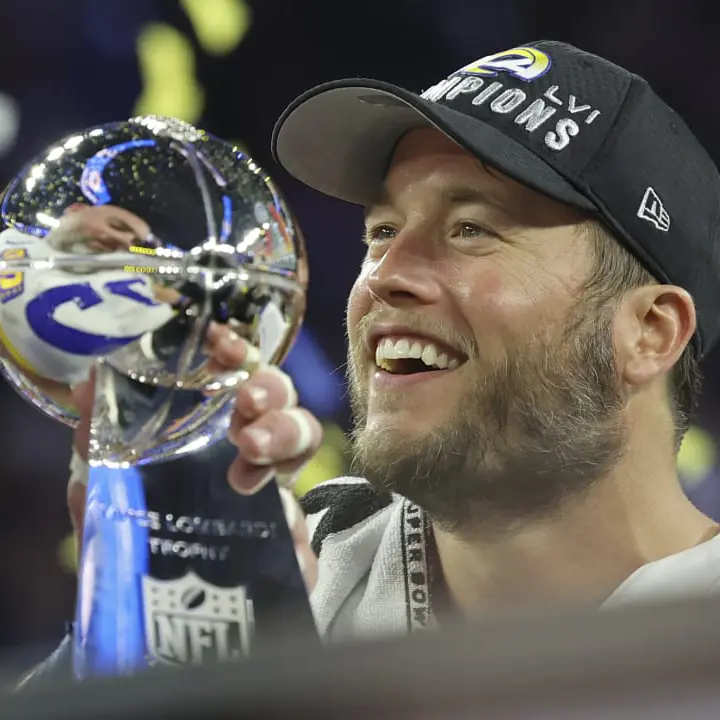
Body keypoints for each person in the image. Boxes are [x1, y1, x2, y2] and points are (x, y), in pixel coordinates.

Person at [22, 39, 720, 682]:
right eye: (381, 231)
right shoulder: (284, 600)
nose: (384, 274)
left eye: (470, 228)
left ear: (651, 332)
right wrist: (129, 655)